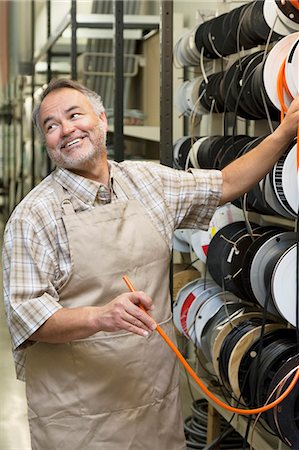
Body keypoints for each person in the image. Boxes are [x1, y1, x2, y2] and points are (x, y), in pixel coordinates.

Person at [2, 78, 299, 450]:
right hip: (80, 418)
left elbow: (226, 183)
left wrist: (285, 131)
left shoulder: (147, 182)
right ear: (47, 141)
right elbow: (27, 316)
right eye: (51, 125)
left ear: (102, 119)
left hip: (153, 407)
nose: (66, 130)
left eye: (74, 115)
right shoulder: (33, 217)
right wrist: (101, 317)